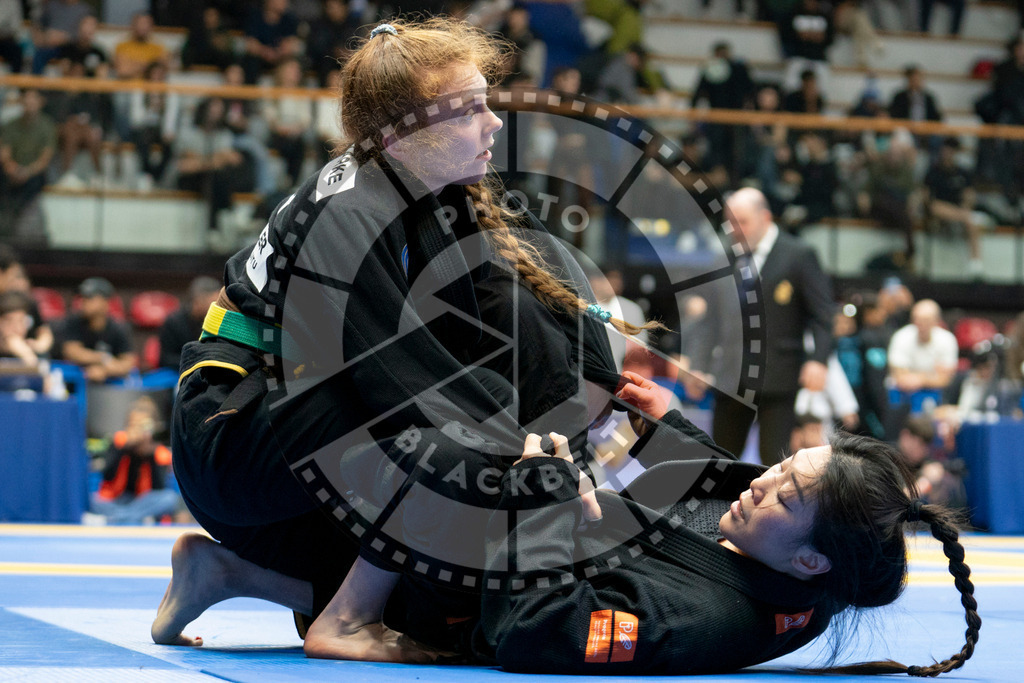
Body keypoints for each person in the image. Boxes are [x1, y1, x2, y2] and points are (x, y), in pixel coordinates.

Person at [151, 17, 648, 658]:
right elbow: (395, 377)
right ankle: (345, 622)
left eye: (487, 105)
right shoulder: (344, 212)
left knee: (445, 592)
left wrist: (587, 427)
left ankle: (222, 573)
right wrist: (524, 451)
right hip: (232, 441)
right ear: (403, 132)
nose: (493, 123)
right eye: (469, 110)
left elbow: (516, 322)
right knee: (453, 421)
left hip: (299, 440)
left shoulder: (433, 199)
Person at [478, 374, 980, 676]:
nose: (761, 484)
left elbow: (535, 629)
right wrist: (666, 429)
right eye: (783, 463)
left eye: (784, 497)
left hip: (473, 579)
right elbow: (729, 480)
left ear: (808, 560)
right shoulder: (801, 559)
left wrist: (539, 494)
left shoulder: (698, 620)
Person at [711, 187, 834, 466]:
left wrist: (819, 360)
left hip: (779, 375)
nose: (734, 229)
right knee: (719, 461)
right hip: (731, 376)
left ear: (765, 218)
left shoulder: (799, 255)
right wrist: (697, 359)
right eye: (729, 222)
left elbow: (824, 315)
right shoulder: (724, 257)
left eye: (742, 221)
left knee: (774, 464)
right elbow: (710, 318)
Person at [86, 395, 185, 525]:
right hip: (117, 500)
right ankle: (134, 519)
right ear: (127, 426)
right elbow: (107, 476)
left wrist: (150, 454)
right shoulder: (118, 442)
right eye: (134, 426)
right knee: (91, 500)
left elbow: (158, 489)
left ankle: (117, 519)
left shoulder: (159, 452)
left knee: (170, 498)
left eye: (142, 427)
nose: (138, 431)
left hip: (143, 503)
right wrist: (123, 448)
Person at [0, 90, 57, 240]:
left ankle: (17, 223)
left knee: (31, 187)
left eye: (33, 102)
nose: (29, 105)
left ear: (40, 103)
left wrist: (27, 172)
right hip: (11, 173)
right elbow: (4, 154)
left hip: (33, 175)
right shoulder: (11, 125)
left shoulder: (47, 125)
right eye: (26, 102)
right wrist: (11, 168)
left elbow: (45, 160)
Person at [59, 277, 137, 383]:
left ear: (105, 301)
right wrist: (103, 358)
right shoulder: (74, 321)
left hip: (110, 384)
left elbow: (128, 362)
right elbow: (72, 351)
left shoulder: (119, 328)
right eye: (82, 297)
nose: (83, 301)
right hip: (77, 380)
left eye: (89, 297)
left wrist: (105, 370)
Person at [887, 299, 958, 395]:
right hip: (902, 393)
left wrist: (920, 379)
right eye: (916, 319)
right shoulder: (901, 337)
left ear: (936, 321)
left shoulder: (947, 339)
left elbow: (945, 380)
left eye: (926, 320)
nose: (920, 324)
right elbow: (901, 378)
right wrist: (930, 377)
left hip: (936, 393)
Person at [157, 276, 221, 370]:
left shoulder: (219, 321)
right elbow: (165, 359)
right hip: (179, 373)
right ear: (198, 301)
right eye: (213, 302)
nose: (218, 306)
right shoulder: (173, 322)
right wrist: (198, 361)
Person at [113, 12, 169, 80]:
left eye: (146, 24)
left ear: (151, 26)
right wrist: (149, 65)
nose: (142, 27)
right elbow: (123, 71)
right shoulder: (122, 46)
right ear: (132, 25)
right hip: (127, 88)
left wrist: (133, 65)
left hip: (150, 88)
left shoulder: (159, 48)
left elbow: (160, 73)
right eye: (140, 23)